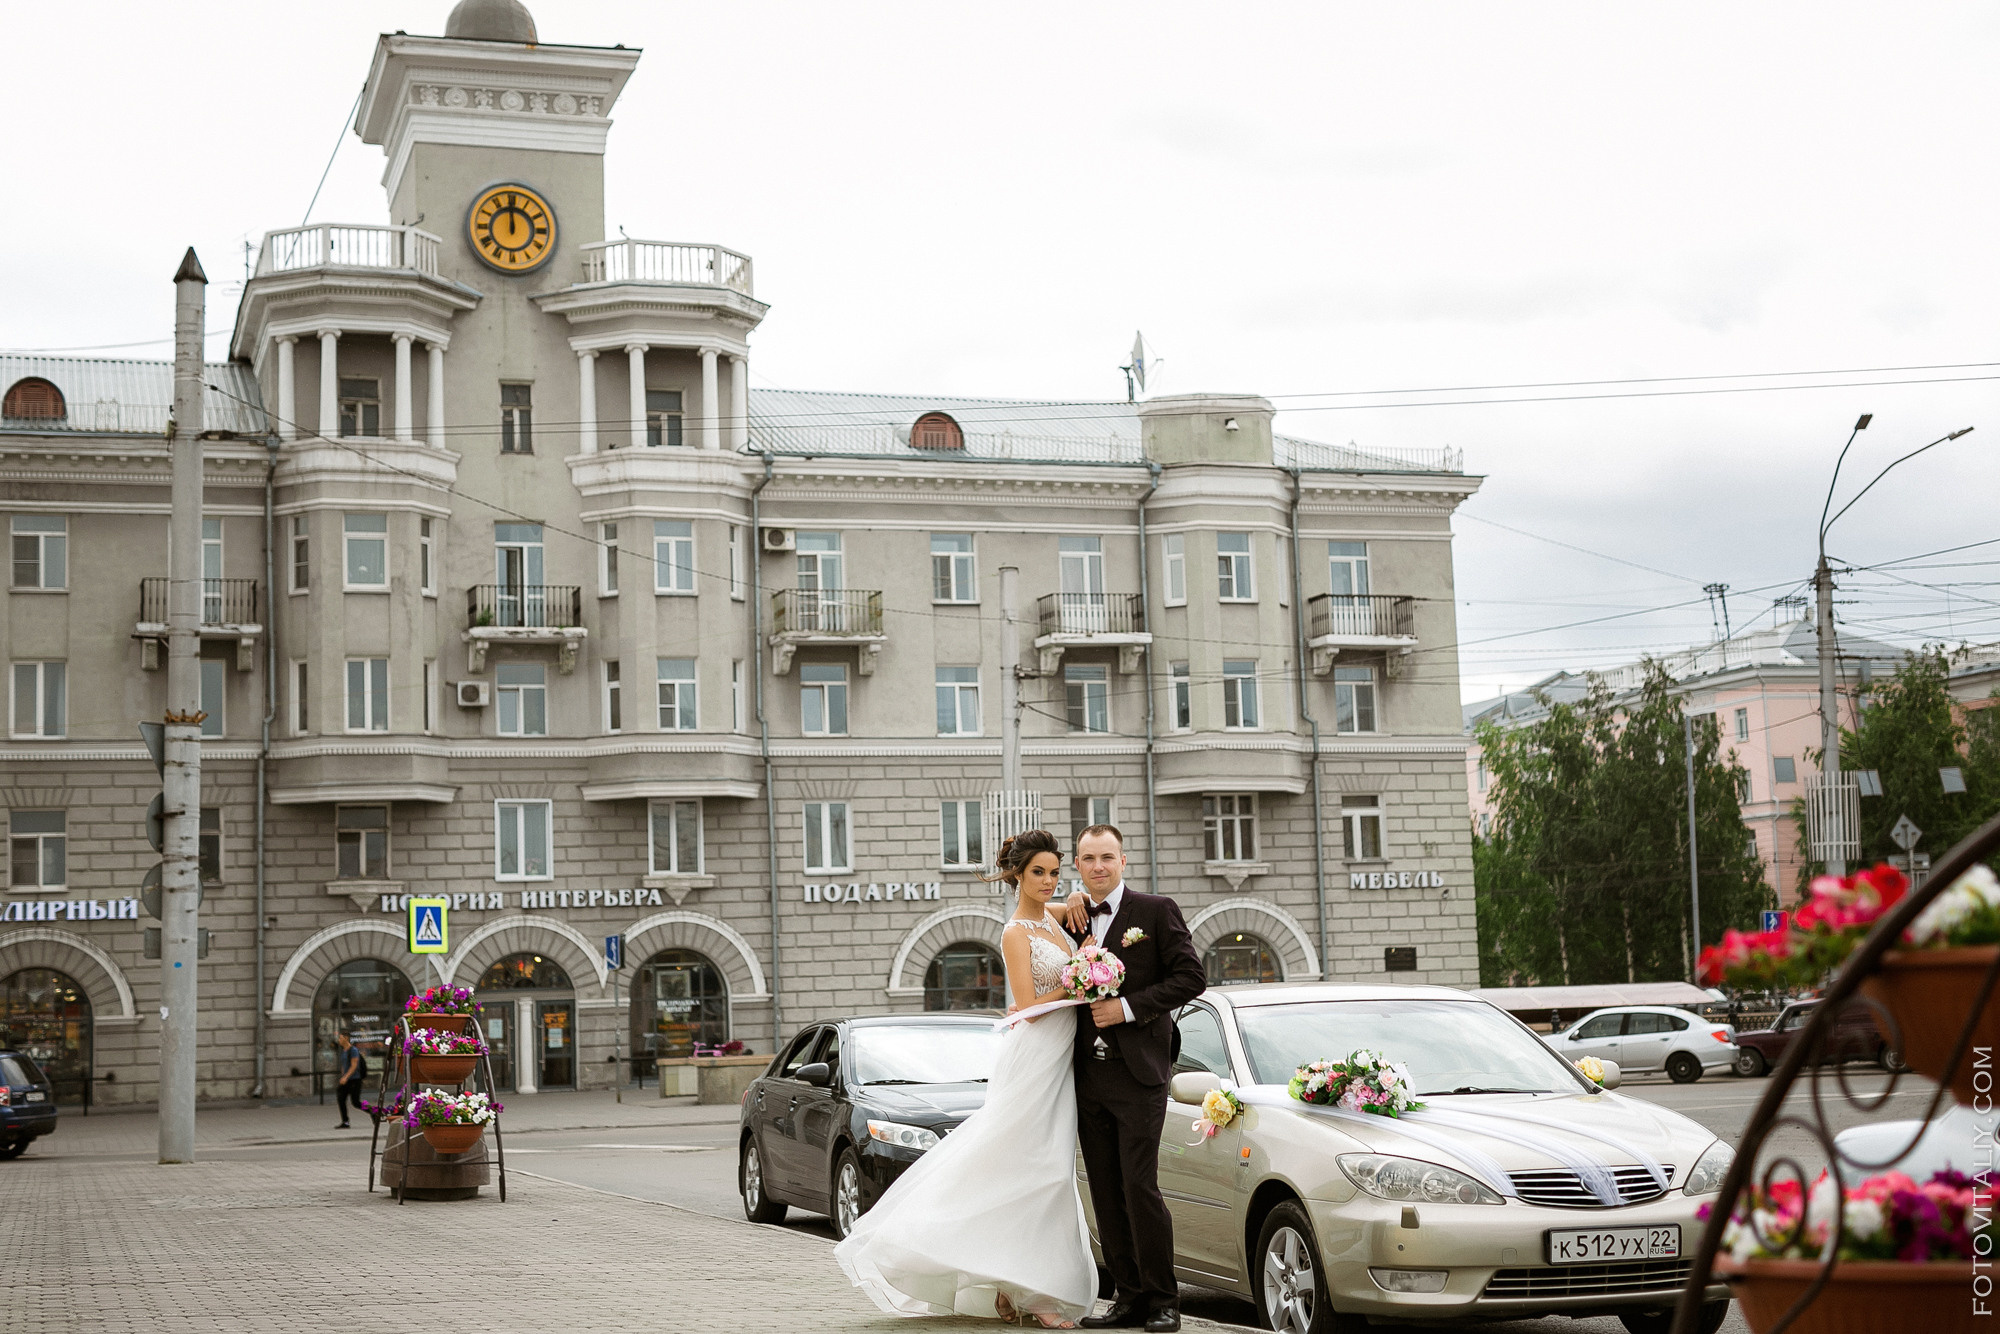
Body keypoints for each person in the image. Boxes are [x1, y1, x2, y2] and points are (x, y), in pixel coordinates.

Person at [835, 830, 1095, 1328]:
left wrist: (1078, 896)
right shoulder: (1015, 932)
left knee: (1041, 1169)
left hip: (1062, 1061)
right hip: (1035, 1056)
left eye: (1055, 873)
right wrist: (1079, 983)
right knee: (1032, 1167)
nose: (1048, 881)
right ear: (1017, 874)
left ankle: (1005, 1284)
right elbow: (1027, 1008)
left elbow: (1073, 908)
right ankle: (1031, 1292)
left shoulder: (1054, 919)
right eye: (1038, 872)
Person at [1058, 825, 1206, 1333]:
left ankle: (1165, 1301)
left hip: (1139, 1073)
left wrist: (1126, 1008)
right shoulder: (1073, 916)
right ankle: (1127, 1296)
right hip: (1086, 1074)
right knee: (1104, 1188)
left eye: (1107, 857)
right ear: (1078, 864)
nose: (1098, 866)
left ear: (1124, 860)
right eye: (1088, 858)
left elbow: (1191, 977)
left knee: (1140, 1187)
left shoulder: (1156, 910)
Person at [333, 1032, 366, 1129]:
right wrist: (343, 1076)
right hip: (346, 1080)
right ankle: (345, 1121)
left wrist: (345, 1077)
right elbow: (344, 1065)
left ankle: (373, 1112)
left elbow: (354, 1065)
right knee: (341, 1099)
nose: (339, 1040)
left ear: (346, 1038)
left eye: (340, 1038)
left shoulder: (353, 1050)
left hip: (354, 1080)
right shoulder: (343, 1051)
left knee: (356, 1102)